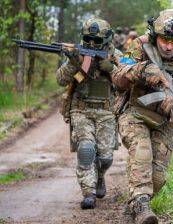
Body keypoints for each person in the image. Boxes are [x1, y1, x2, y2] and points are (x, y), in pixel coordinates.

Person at [111, 9, 173, 224]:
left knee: (157, 178)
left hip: (166, 120)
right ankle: (142, 208)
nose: (169, 46)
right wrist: (142, 71)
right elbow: (117, 77)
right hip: (135, 112)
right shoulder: (140, 46)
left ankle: (135, 205)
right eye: (164, 39)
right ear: (155, 35)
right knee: (142, 152)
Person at [56, 18, 120, 209]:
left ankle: (100, 176)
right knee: (86, 150)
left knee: (106, 157)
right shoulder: (77, 54)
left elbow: (129, 81)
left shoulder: (115, 55)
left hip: (107, 111)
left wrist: (113, 69)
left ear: (107, 40)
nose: (91, 44)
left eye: (96, 41)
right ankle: (88, 192)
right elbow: (61, 80)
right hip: (81, 109)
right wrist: (73, 62)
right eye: (88, 40)